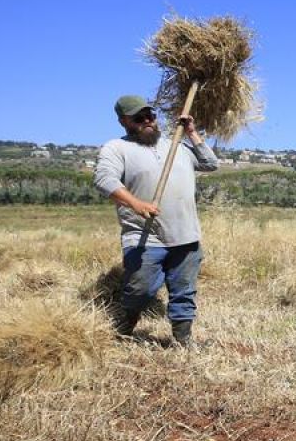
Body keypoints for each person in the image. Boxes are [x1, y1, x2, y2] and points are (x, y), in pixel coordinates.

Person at [93, 94, 218, 346]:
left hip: (185, 234)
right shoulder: (117, 149)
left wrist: (192, 133)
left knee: (184, 291)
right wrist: (136, 204)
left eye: (151, 115)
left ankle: (183, 340)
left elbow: (210, 163)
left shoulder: (176, 145)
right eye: (139, 117)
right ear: (123, 121)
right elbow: (104, 180)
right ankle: (122, 331)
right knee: (140, 290)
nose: (148, 120)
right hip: (144, 235)